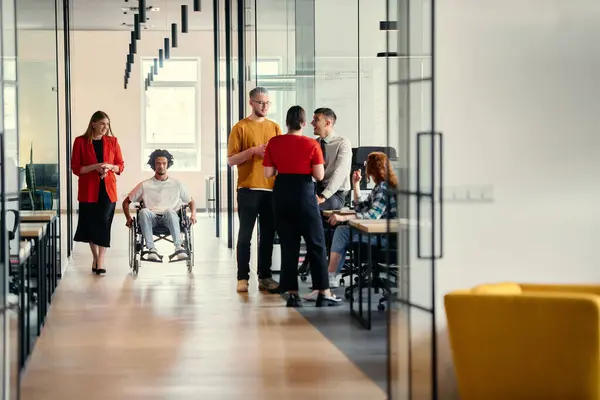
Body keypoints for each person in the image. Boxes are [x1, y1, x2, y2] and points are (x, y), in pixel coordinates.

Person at [263, 105, 342, 307]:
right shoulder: (311, 144)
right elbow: (319, 175)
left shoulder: (274, 142)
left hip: (281, 195)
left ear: (286, 122)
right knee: (316, 243)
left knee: (289, 245)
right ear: (304, 123)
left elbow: (268, 174)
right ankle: (323, 291)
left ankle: (292, 293)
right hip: (304, 195)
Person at [305, 152, 398, 296]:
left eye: (368, 164)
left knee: (342, 231)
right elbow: (361, 208)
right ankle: (330, 277)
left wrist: (343, 218)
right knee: (342, 230)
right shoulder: (381, 186)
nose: (365, 166)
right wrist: (355, 185)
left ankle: (330, 277)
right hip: (380, 235)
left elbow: (372, 215)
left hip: (383, 238)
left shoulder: (384, 188)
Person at [227, 87, 282, 293]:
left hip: (271, 190)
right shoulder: (240, 127)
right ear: (251, 103)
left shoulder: (275, 127)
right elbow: (231, 160)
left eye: (267, 103)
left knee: (267, 236)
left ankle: (265, 277)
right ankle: (242, 278)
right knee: (244, 236)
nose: (265, 106)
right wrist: (253, 151)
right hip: (248, 189)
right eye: (260, 102)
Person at [71, 110, 125, 275]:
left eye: (107, 124)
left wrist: (109, 167)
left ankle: (101, 259)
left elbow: (120, 166)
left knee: (103, 222)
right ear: (93, 123)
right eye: (102, 123)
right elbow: (76, 168)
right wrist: (96, 166)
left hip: (108, 191)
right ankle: (95, 257)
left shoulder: (112, 141)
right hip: (88, 191)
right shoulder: (80, 141)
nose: (105, 127)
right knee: (91, 225)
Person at [122, 149, 197, 262]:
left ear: (168, 165)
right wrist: (128, 218)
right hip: (151, 218)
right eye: (158, 163)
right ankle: (152, 249)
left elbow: (191, 202)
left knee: (170, 211)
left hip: (171, 218)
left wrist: (193, 215)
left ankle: (179, 247)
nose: (161, 166)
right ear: (153, 165)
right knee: (143, 211)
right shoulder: (145, 185)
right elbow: (126, 202)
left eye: (164, 163)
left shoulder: (177, 184)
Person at [311, 108, 352, 210]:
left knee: (311, 208)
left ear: (327, 123)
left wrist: (323, 196)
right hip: (316, 189)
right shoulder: (314, 144)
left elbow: (340, 172)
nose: (312, 123)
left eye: (316, 119)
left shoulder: (342, 143)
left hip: (335, 194)